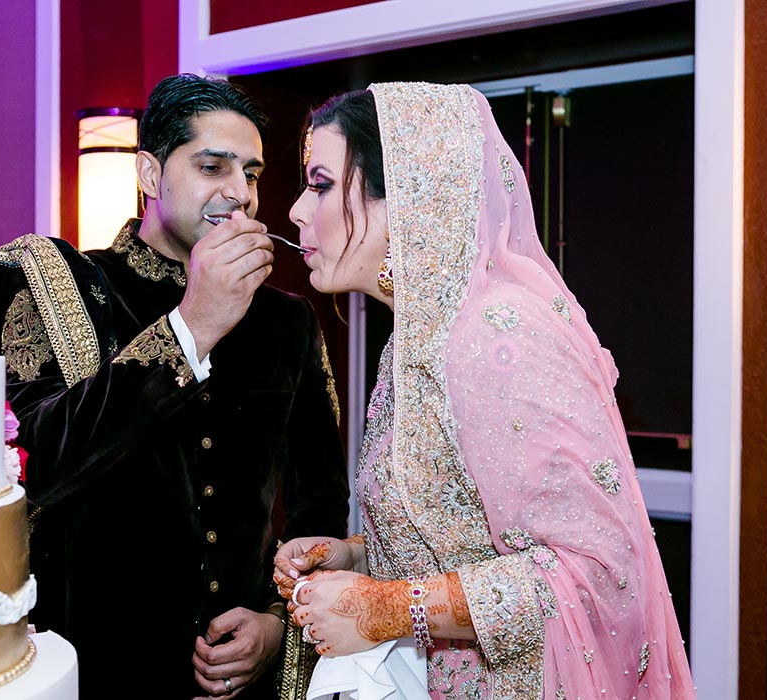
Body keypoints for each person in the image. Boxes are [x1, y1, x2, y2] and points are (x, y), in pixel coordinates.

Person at [273, 82, 696, 699]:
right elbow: (464, 531)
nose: (295, 211)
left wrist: (386, 609)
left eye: (321, 184)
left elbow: (595, 573)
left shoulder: (496, 334)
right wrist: (357, 559)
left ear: (411, 195)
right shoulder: (413, 340)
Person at [0, 73, 350, 699]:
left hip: (247, 679)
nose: (239, 194)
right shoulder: (53, 286)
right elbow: (22, 467)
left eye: (250, 173)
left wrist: (279, 625)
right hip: (96, 668)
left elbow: (320, 502)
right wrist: (192, 326)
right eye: (212, 166)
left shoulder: (287, 319)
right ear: (149, 175)